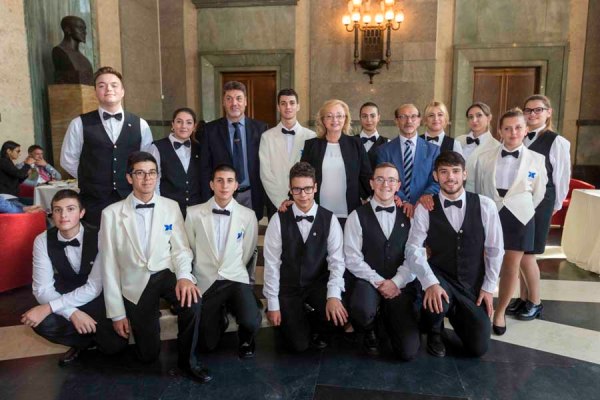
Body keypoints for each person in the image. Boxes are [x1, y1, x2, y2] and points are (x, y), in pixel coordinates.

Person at [99, 151, 211, 383]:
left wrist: (184, 276)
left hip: (165, 272)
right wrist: (117, 313)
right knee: (148, 355)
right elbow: (108, 265)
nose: (147, 178)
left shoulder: (171, 206)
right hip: (134, 281)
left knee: (192, 301)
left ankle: (188, 362)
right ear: (129, 177)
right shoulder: (111, 214)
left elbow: (180, 248)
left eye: (152, 173)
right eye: (140, 173)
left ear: (158, 176)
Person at [406, 151, 504, 358]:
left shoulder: (485, 205)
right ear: (435, 176)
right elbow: (413, 248)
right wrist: (430, 282)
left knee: (478, 348)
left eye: (455, 171)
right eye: (444, 172)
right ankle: (435, 330)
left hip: (471, 283)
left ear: (464, 174)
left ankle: (458, 315)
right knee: (435, 302)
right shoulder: (426, 207)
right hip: (440, 278)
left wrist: (488, 288)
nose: (450, 177)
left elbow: (495, 249)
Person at [21, 189, 128, 366]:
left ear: (82, 213)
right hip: (66, 293)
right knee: (41, 322)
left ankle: (94, 336)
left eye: (70, 209)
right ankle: (81, 343)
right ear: (52, 213)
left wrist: (50, 307)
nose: (63, 215)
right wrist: (72, 313)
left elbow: (94, 287)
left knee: (114, 347)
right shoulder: (42, 240)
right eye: (58, 210)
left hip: (98, 297)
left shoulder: (100, 236)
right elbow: (42, 289)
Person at [472, 108, 547, 335]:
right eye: (508, 128)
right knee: (484, 262)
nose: (513, 132)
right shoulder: (484, 158)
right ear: (500, 131)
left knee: (511, 266)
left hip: (520, 217)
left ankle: (500, 311)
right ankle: (479, 307)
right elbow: (478, 188)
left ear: (525, 130)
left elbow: (538, 193)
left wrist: (520, 207)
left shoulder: (537, 160)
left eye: (518, 128)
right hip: (492, 213)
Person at [263, 161, 347, 352]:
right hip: (289, 287)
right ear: (290, 189)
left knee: (341, 314)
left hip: (317, 284)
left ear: (315, 187)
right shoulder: (278, 219)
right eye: (297, 189)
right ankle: (295, 318)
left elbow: (337, 262)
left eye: (308, 189)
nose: (303, 195)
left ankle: (314, 321)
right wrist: (273, 304)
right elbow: (271, 264)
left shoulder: (330, 219)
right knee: (298, 345)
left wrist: (333, 296)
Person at [60, 66, 154, 227]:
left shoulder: (141, 124)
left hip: (130, 197)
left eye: (114, 85)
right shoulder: (79, 123)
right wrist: (91, 177)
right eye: (102, 85)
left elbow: (147, 161)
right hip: (93, 201)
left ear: (122, 91)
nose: (108, 89)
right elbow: (67, 159)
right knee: (96, 240)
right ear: (95, 91)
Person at [185, 164, 260, 358]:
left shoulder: (248, 215)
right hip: (206, 280)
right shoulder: (193, 213)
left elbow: (248, 250)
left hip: (235, 277)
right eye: (219, 181)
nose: (224, 186)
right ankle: (220, 317)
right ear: (211, 184)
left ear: (236, 185)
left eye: (229, 181)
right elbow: (190, 248)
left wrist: (233, 266)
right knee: (207, 344)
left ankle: (246, 338)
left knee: (251, 320)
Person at [508, 95, 571, 319]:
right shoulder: (520, 137)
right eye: (528, 110)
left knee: (529, 252)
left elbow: (561, 177)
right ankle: (523, 298)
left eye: (538, 110)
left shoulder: (557, 141)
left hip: (542, 200)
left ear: (548, 112)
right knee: (520, 249)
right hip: (519, 200)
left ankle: (535, 301)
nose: (533, 114)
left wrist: (555, 205)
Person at [343, 162, 415, 357]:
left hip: (399, 284)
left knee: (407, 352)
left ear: (398, 185)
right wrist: (380, 282)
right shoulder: (356, 216)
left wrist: (396, 282)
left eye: (391, 180)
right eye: (380, 179)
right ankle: (369, 328)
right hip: (368, 282)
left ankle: (387, 318)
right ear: (371, 183)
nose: (385, 184)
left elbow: (413, 257)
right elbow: (352, 258)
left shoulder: (409, 217)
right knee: (362, 309)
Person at [200, 81, 268, 220]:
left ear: (245, 102)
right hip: (222, 195)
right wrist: (207, 198)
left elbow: (266, 165)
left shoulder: (261, 129)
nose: (234, 103)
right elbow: (204, 167)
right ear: (223, 102)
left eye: (238, 98)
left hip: (252, 195)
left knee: (250, 233)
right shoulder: (210, 130)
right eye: (229, 99)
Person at [300, 99, 372, 227]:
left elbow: (366, 175)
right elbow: (302, 176)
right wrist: (291, 199)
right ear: (323, 120)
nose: (335, 120)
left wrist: (370, 197)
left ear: (345, 118)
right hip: (318, 211)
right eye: (329, 116)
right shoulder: (311, 145)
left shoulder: (356, 144)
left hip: (349, 212)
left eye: (339, 116)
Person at [259, 88, 316, 218]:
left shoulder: (311, 136)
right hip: (276, 202)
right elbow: (265, 174)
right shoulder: (267, 137)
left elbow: (313, 172)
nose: (288, 107)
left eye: (292, 103)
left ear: (298, 106)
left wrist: (300, 196)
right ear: (278, 107)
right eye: (283, 103)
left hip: (304, 200)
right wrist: (281, 200)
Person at [376, 104, 440, 218]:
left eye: (413, 116)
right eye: (403, 117)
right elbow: (381, 179)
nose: (409, 121)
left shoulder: (433, 150)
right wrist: (404, 200)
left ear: (419, 120)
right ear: (396, 121)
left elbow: (438, 180)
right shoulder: (384, 150)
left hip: (425, 208)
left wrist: (425, 195)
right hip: (395, 206)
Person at [148, 107, 201, 218]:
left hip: (196, 211)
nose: (184, 126)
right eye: (179, 122)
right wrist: (159, 207)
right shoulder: (157, 147)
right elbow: (154, 181)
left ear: (194, 126)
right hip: (168, 210)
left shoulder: (200, 148)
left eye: (189, 122)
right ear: (172, 124)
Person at [455, 102, 501, 192]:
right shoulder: (458, 140)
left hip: (479, 194)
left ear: (489, 118)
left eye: (479, 115)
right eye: (470, 117)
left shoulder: (496, 147)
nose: (474, 120)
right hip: (453, 193)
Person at [52, 15, 93, 85]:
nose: (85, 32)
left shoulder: (83, 58)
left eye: (84, 29)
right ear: (68, 30)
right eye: (80, 28)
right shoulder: (60, 52)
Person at [358, 102, 389, 170]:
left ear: (378, 118)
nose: (369, 120)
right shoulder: (350, 142)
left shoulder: (388, 143)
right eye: (364, 116)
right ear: (360, 118)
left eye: (372, 116)